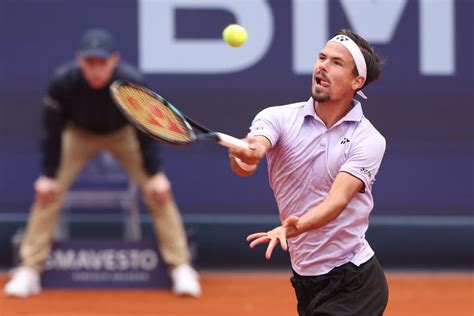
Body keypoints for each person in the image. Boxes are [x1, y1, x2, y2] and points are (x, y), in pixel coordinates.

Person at [4, 28, 201, 298]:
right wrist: (48, 175)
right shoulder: (63, 84)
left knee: (158, 192)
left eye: (102, 63)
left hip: (124, 134)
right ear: (79, 60)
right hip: (78, 134)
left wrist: (154, 173)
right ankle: (29, 270)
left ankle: (180, 266)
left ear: (114, 60)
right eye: (89, 63)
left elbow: (148, 129)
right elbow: (52, 133)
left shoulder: (131, 82)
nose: (96, 70)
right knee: (48, 192)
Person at [228, 29, 389, 315]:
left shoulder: (369, 140)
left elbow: (337, 201)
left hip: (355, 281)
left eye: (337, 63)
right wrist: (246, 157)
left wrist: (295, 227)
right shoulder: (276, 118)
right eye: (321, 58)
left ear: (357, 81)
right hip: (306, 280)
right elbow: (251, 156)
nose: (323, 66)